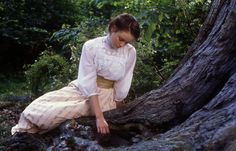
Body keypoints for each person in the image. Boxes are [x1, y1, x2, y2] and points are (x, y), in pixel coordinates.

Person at [11, 13, 140, 135]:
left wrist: (117, 112)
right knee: (38, 107)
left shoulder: (130, 52)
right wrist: (99, 117)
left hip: (105, 97)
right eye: (121, 39)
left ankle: (34, 131)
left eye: (127, 42)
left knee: (52, 115)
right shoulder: (91, 46)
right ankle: (23, 131)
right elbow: (87, 81)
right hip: (82, 89)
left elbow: (123, 82)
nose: (122, 45)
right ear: (113, 28)